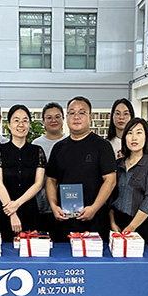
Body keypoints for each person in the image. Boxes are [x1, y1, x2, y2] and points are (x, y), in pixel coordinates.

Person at [46, 96, 116, 242]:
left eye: (82, 112)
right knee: (63, 255)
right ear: (66, 117)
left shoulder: (102, 146)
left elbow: (110, 180)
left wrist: (94, 208)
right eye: (72, 113)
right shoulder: (58, 148)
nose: (76, 117)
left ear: (90, 117)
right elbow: (51, 180)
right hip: (64, 219)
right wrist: (53, 206)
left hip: (94, 219)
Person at [0, 105, 46, 241]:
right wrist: (12, 213)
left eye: (25, 120)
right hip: (4, 211)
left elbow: (38, 184)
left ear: (29, 124)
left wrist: (16, 204)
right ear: (9, 125)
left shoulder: (37, 151)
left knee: (30, 250)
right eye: (16, 120)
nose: (21, 124)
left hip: (29, 211)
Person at [109, 118, 148, 250]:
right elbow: (111, 196)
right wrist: (112, 222)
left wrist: (132, 227)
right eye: (130, 133)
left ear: (145, 138)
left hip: (140, 223)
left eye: (139, 133)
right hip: (117, 223)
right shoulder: (118, 164)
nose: (134, 138)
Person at [32, 102, 67, 235]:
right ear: (43, 121)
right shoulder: (36, 145)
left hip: (66, 204)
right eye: (49, 117)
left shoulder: (70, 142)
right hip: (41, 204)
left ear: (63, 119)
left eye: (57, 117)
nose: (53, 120)